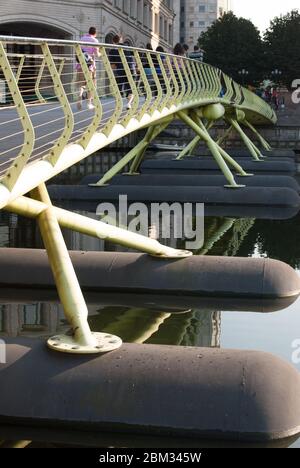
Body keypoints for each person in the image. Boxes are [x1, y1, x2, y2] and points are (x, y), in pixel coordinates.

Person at [76, 26, 101, 110]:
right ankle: (89, 103)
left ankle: (79, 98)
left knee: (81, 84)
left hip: (80, 65)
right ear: (95, 33)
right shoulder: (95, 41)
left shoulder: (81, 39)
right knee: (91, 85)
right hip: (90, 66)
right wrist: (101, 54)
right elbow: (97, 54)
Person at [108, 35, 133, 109]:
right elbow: (131, 59)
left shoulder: (112, 50)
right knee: (130, 88)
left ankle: (118, 105)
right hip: (129, 69)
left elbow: (113, 65)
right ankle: (128, 104)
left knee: (118, 88)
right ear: (121, 40)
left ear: (113, 41)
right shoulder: (127, 48)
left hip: (120, 70)